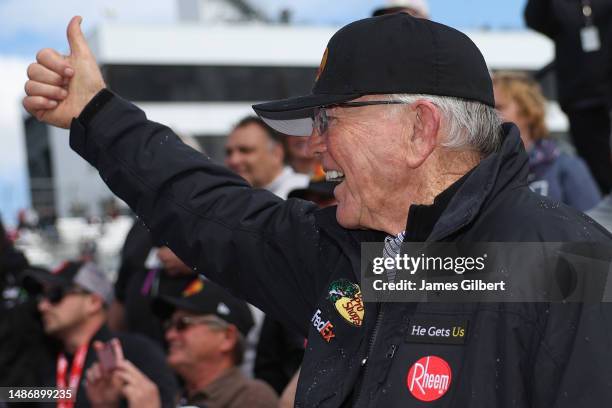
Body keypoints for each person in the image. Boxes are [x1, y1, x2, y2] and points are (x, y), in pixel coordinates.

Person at [23, 12, 612, 407]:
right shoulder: (356, 256)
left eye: (330, 120)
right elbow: (211, 209)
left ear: (419, 128)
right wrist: (97, 116)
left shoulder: (566, 266)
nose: (315, 144)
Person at [87, 277, 279, 408]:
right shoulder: (180, 397)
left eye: (182, 325)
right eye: (169, 325)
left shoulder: (252, 397)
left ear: (227, 338)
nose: (169, 335)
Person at [22, 260, 178, 407]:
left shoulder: (133, 352)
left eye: (55, 295)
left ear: (94, 302)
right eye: (41, 297)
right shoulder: (47, 359)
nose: (43, 306)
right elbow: (19, 397)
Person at [524, 0, 612, 194]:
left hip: (604, 97)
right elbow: (534, 18)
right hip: (580, 100)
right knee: (596, 173)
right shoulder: (558, 6)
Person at [492, 72, 601, 211]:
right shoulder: (483, 168)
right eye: (488, 107)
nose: (491, 114)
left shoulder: (566, 167)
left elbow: (592, 227)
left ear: (528, 112)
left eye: (499, 107)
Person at [224, 116, 308, 199]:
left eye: (245, 150)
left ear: (276, 153)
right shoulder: (231, 199)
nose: (234, 160)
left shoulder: (306, 193)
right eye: (229, 152)